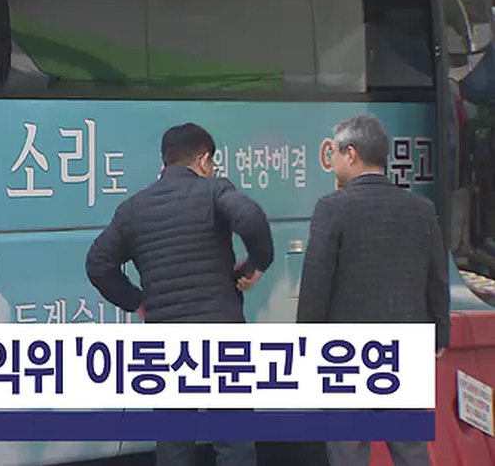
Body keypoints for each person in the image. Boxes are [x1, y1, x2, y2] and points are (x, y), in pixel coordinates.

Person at [85, 122, 275, 466]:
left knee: (174, 442)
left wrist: (137, 301)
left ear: (166, 161)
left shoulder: (133, 208)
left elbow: (98, 264)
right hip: (221, 336)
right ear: (203, 160)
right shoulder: (214, 190)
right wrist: (255, 266)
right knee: (233, 438)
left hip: (167, 338)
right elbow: (250, 217)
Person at [297, 114, 450, 466]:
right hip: (405, 347)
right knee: (410, 448)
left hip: (344, 353)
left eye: (334, 153)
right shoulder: (421, 209)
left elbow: (316, 283)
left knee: (347, 448)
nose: (332, 162)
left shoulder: (331, 208)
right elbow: (437, 279)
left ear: (351, 154)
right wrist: (439, 335)